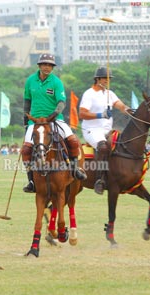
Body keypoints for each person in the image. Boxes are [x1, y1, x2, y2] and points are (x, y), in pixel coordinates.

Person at [22, 53, 87, 193]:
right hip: (36, 122)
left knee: (73, 140)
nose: (47, 67)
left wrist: (54, 114)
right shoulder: (30, 81)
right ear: (39, 65)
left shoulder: (56, 82)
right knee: (26, 149)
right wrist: (25, 122)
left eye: (50, 65)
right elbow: (27, 102)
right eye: (44, 64)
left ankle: (75, 169)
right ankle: (31, 180)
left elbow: (62, 102)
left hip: (55, 120)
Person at [79, 66, 130, 195]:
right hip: (92, 130)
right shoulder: (89, 93)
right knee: (103, 147)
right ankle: (100, 180)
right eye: (105, 78)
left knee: (122, 145)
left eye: (109, 79)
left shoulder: (109, 93)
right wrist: (100, 115)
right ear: (97, 79)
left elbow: (120, 105)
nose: (107, 81)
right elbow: (82, 113)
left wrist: (129, 110)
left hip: (107, 130)